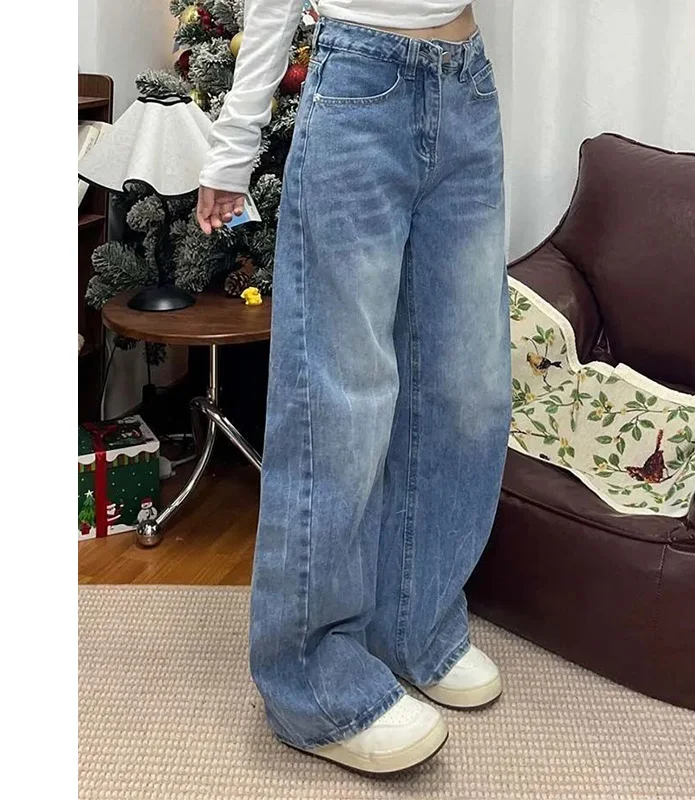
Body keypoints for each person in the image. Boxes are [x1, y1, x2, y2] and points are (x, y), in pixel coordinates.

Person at [197, 0, 511, 775]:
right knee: (339, 397)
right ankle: (311, 684)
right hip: (361, 89)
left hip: (468, 87)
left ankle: (413, 625)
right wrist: (232, 151)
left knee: (468, 388)